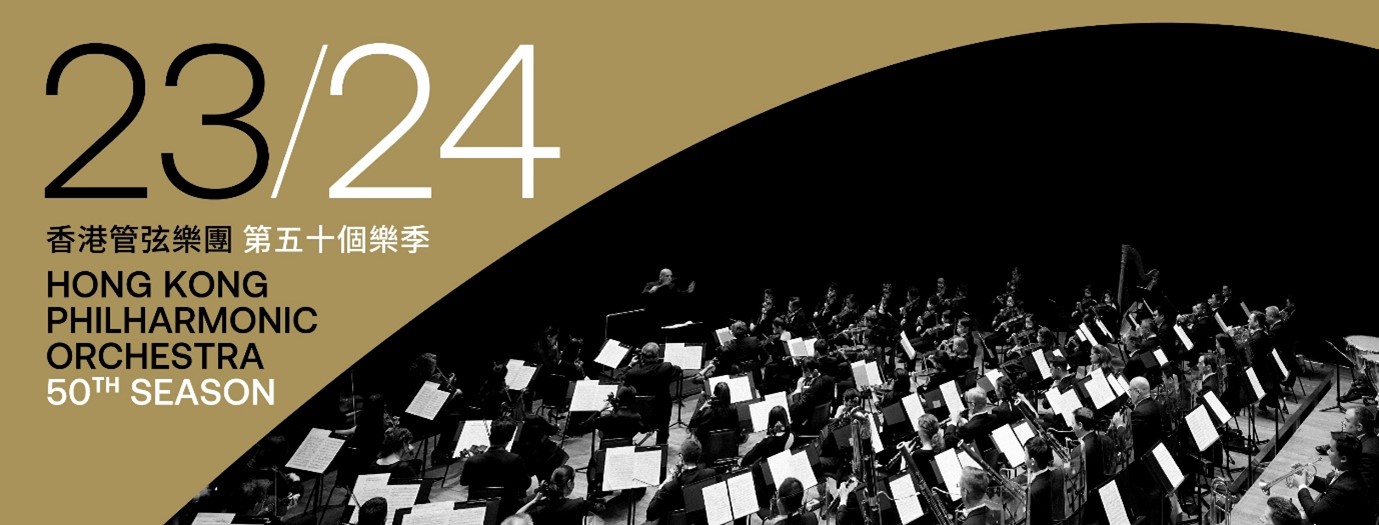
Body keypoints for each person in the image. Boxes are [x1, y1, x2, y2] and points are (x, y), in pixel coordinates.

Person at [459, 419, 531, 518]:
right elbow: (525, 484)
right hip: (506, 508)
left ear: (490, 436)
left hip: (478, 507)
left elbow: (464, 482)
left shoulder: (472, 461)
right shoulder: (515, 459)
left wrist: (473, 460)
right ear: (510, 438)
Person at [1297, 432, 1373, 524]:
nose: (1327, 451)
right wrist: (1308, 477)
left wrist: (1301, 486)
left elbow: (1314, 514)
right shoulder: (1351, 471)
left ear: (1343, 458)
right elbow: (1329, 485)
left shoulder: (1344, 487)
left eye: (1331, 450)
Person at [623, 343, 683, 445]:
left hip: (638, 414)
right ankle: (661, 445)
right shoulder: (666, 367)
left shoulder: (632, 373)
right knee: (664, 421)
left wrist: (630, 365)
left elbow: (621, 378)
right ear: (657, 356)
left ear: (642, 356)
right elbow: (678, 369)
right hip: (661, 412)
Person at [647, 437, 719, 522]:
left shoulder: (670, 487)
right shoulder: (710, 474)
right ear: (699, 456)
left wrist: (663, 485)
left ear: (681, 457)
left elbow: (650, 514)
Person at [519, 466, 605, 525]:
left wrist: (534, 501)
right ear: (569, 483)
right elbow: (601, 509)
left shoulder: (536, 504)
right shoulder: (577, 504)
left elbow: (516, 516)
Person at [1074, 407, 1107, 525]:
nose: (1072, 427)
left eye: (1073, 423)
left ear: (1080, 425)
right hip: (1104, 492)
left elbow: (1075, 481)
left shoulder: (1079, 451)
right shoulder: (1103, 438)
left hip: (1089, 504)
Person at [1024, 437, 1054, 525]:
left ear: (1033, 461)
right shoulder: (1055, 473)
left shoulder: (1032, 492)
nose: (1024, 458)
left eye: (1025, 454)